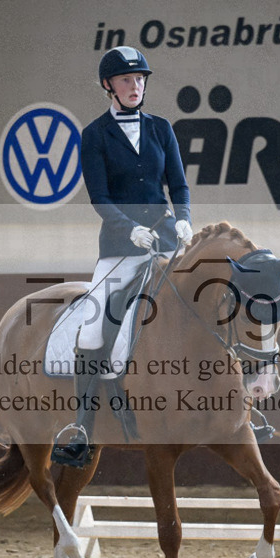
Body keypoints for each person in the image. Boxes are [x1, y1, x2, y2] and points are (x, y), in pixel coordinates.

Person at [51, 46, 193, 468]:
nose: (136, 86)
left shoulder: (161, 128)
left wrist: (184, 219)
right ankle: (81, 426)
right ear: (108, 86)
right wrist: (128, 228)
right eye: (128, 80)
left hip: (166, 240)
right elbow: (99, 197)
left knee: (209, 304)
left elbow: (179, 186)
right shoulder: (94, 134)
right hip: (119, 246)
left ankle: (243, 406)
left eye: (141, 79)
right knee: (93, 331)